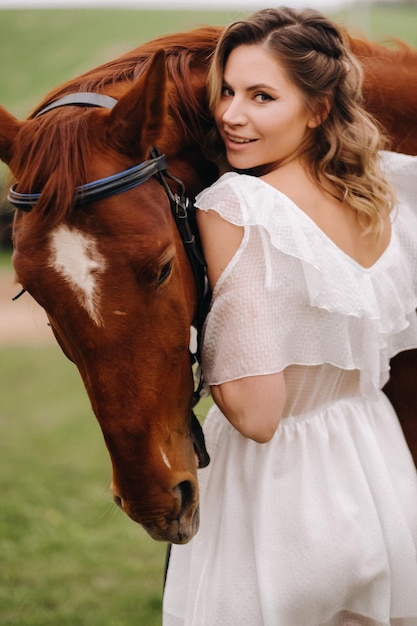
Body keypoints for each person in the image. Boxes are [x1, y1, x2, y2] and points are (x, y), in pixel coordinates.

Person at [163, 6, 417, 626]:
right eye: (226, 90)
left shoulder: (238, 205)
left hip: (279, 497)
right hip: (376, 470)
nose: (230, 114)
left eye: (261, 96)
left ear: (319, 107)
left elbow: (256, 412)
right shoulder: (386, 190)